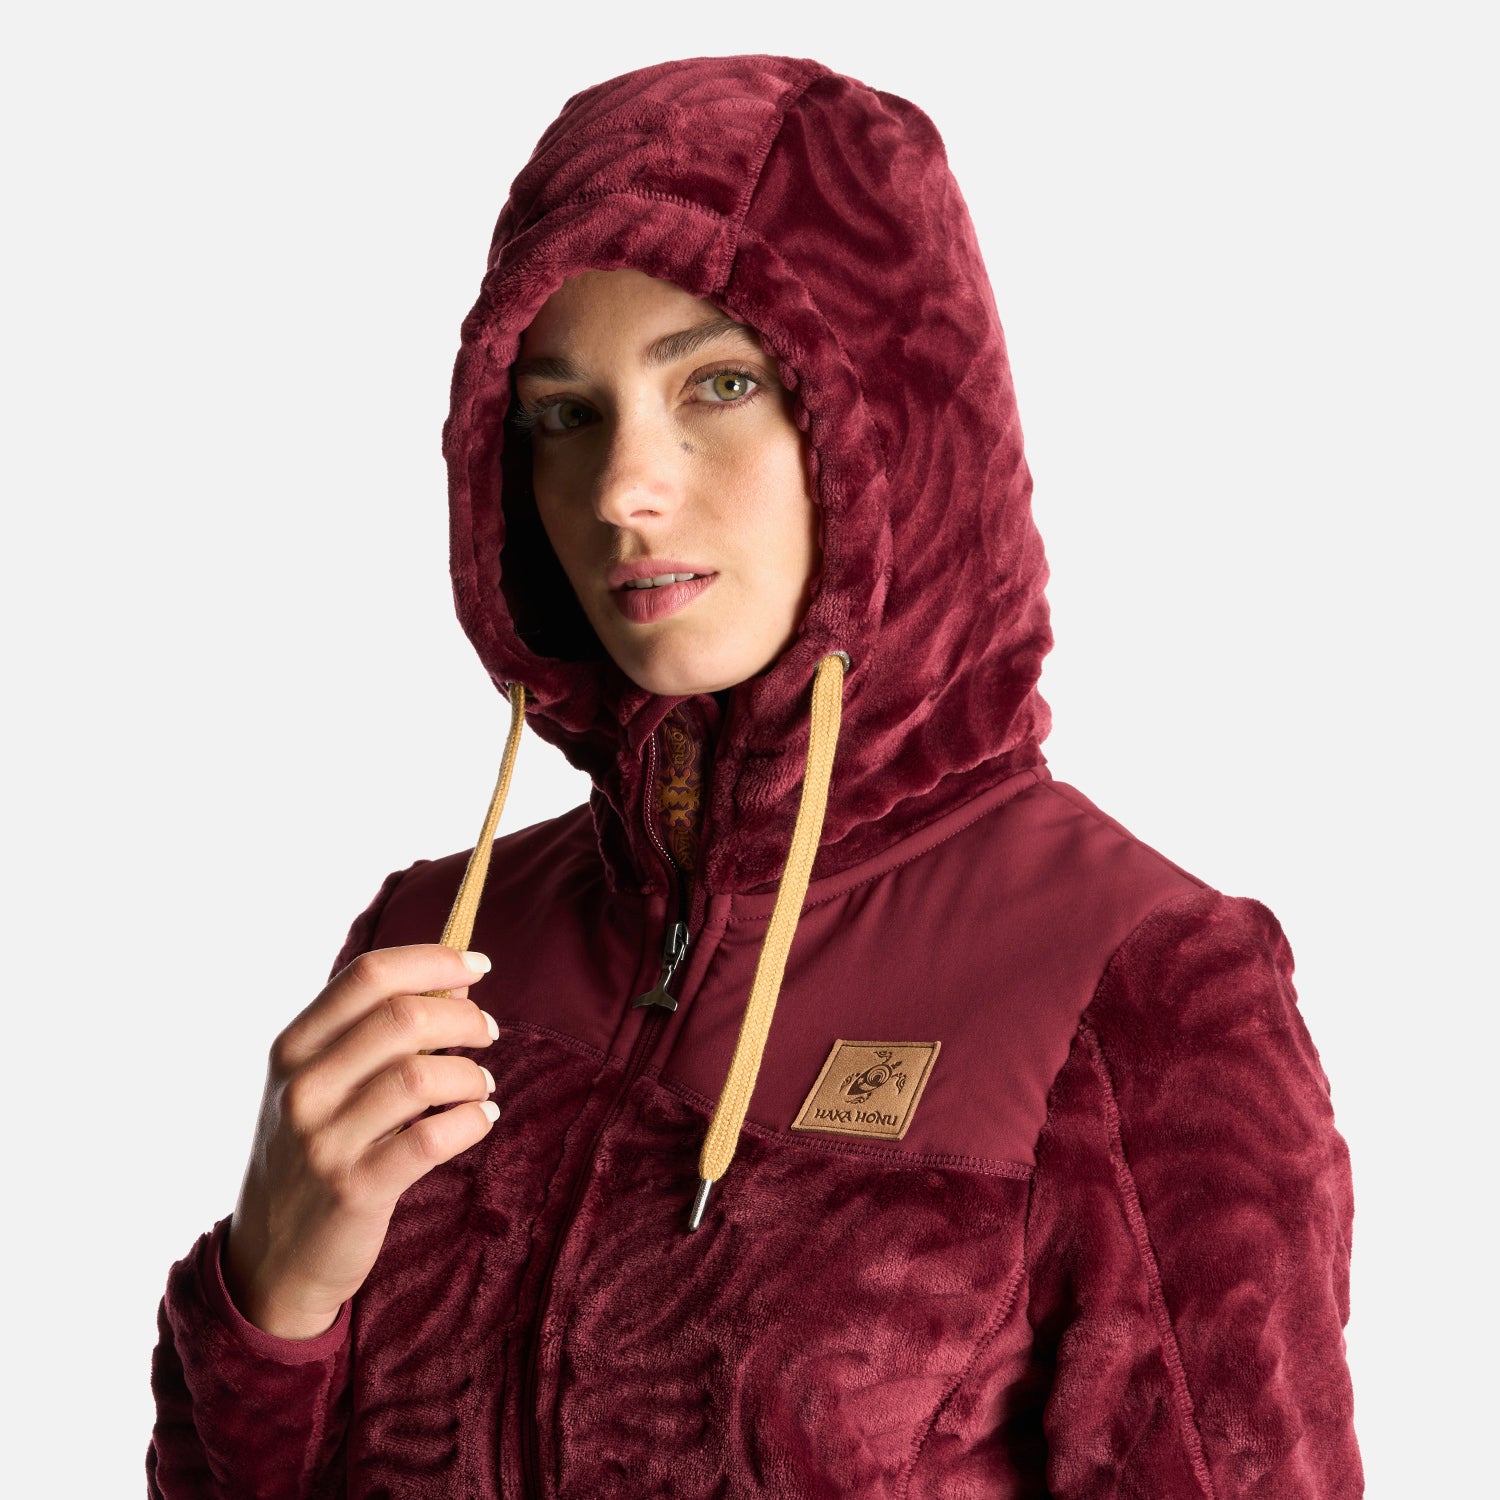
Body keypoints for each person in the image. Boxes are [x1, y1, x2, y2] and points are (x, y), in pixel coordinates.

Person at [148, 54, 1363, 1498]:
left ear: (892, 415)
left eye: (719, 384)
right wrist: (270, 1305)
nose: (623, 490)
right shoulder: (432, 946)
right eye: (562, 413)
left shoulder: (1141, 990)